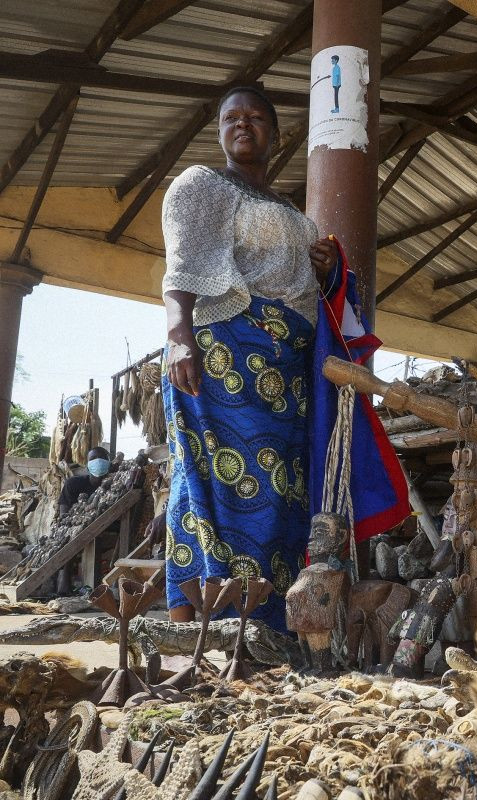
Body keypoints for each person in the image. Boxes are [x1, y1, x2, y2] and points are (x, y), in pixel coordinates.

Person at [161, 86, 340, 629]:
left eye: (256, 118)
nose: (243, 125)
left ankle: (262, 623)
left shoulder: (294, 213)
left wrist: (326, 266)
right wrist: (177, 337)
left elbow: (311, 292)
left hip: (286, 372)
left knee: (279, 489)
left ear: (275, 134)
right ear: (218, 130)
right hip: (222, 358)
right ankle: (193, 621)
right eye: (231, 118)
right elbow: (181, 272)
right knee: (208, 477)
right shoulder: (201, 185)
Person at [57, 447, 112, 515]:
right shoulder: (72, 484)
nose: (98, 461)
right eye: (93, 458)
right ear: (87, 466)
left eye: (102, 458)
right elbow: (63, 515)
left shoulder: (113, 484)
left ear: (109, 464)